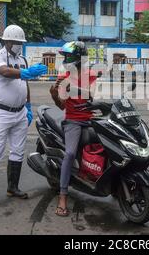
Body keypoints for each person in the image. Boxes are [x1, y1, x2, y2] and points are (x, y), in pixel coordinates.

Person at [0, 25, 48, 208]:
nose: (18, 45)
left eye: (21, 42)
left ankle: (13, 187)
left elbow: (24, 84)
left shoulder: (22, 59)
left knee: (17, 151)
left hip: (20, 112)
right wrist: (24, 73)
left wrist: (28, 105)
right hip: (1, 113)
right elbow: (4, 72)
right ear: (6, 41)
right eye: (15, 42)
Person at [49, 41, 97, 216]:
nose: (66, 59)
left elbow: (91, 95)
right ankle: (63, 196)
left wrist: (72, 87)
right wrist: (55, 94)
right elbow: (62, 107)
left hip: (91, 120)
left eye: (69, 56)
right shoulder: (65, 76)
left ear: (79, 58)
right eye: (65, 56)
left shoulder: (90, 74)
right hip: (73, 121)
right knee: (69, 153)